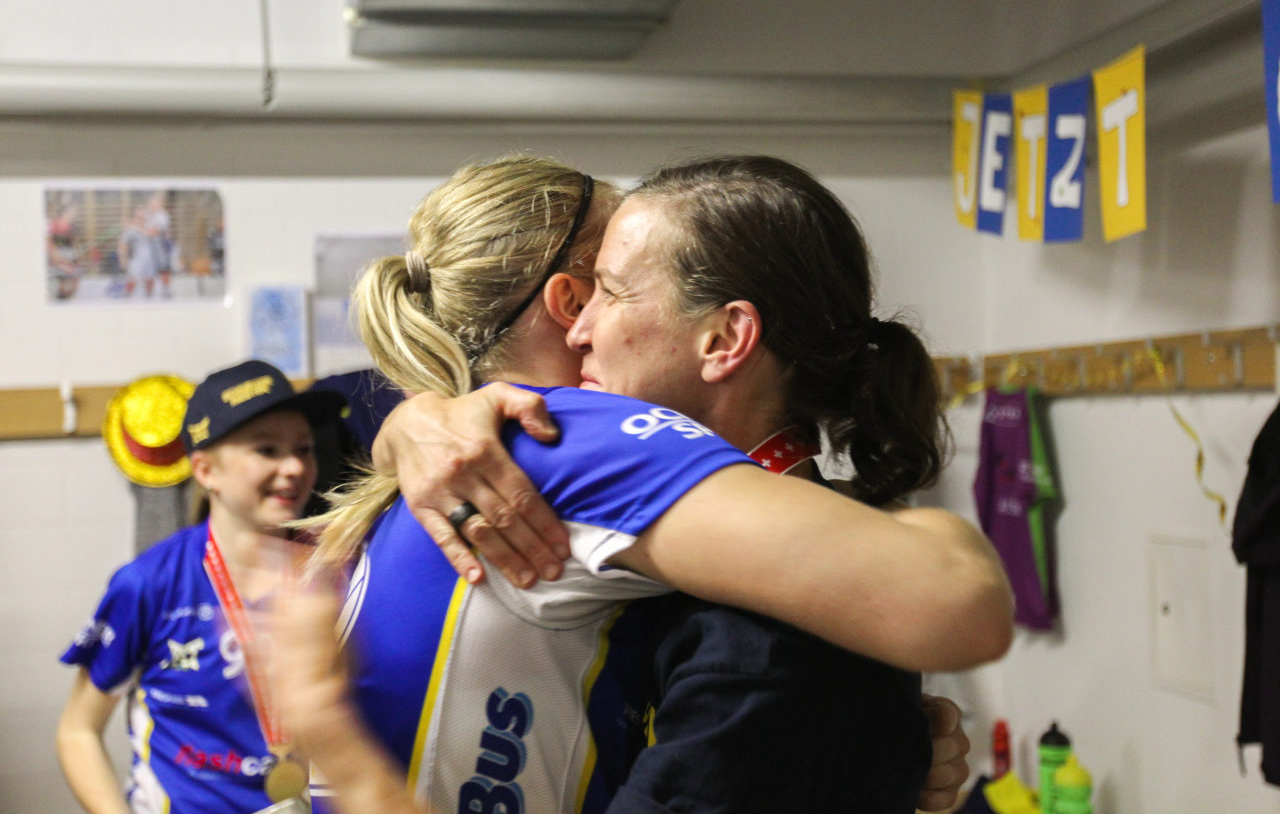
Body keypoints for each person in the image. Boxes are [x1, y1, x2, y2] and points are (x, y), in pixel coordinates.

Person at [282, 155, 1010, 813]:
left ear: (725, 339)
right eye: (593, 287)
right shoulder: (558, 439)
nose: (584, 329)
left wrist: (873, 749)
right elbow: (953, 597)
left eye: (614, 290)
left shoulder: (478, 448)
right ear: (563, 299)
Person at [56, 359, 346, 813]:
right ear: (206, 470)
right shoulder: (150, 584)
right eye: (267, 450)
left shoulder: (337, 568)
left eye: (303, 448)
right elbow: (78, 730)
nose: (293, 466)